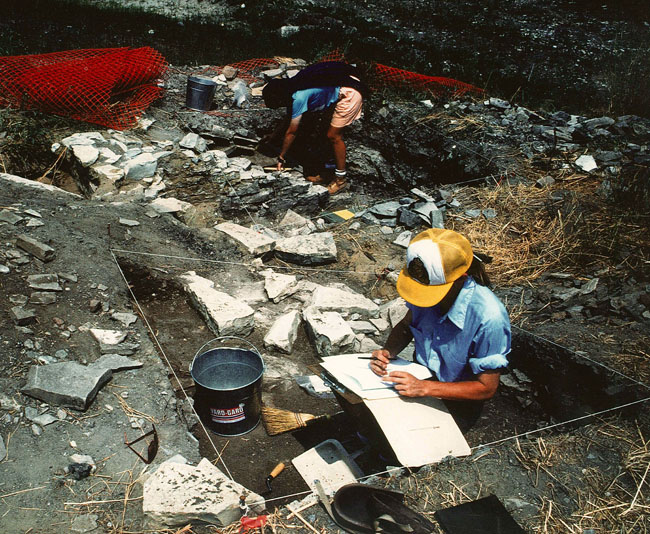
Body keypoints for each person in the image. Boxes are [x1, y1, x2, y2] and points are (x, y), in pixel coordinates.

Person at [370, 228, 511, 431]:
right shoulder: (426, 281)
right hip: (420, 381)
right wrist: (388, 353)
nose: (424, 297)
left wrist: (425, 388)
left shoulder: (490, 318)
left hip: (458, 403)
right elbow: (406, 326)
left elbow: (486, 388)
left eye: (432, 292)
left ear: (461, 278)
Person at [262, 62, 365, 195]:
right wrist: (273, 136)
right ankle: (325, 172)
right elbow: (289, 118)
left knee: (333, 136)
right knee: (322, 132)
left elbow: (292, 131)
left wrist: (281, 157)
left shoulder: (299, 97)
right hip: (339, 89)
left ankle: (340, 180)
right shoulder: (292, 88)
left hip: (349, 93)